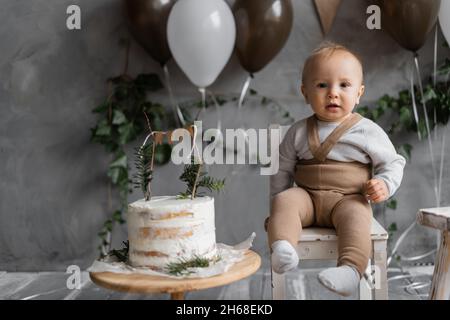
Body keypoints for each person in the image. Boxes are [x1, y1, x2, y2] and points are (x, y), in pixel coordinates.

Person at [267, 42, 406, 296]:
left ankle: (350, 271)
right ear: (305, 92)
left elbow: (393, 162)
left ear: (359, 93)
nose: (333, 93)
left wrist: (385, 183)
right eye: (322, 85)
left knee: (357, 217)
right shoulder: (298, 131)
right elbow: (282, 170)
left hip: (348, 199)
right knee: (285, 199)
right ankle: (283, 247)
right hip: (307, 199)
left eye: (344, 85)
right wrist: (276, 211)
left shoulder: (366, 130)